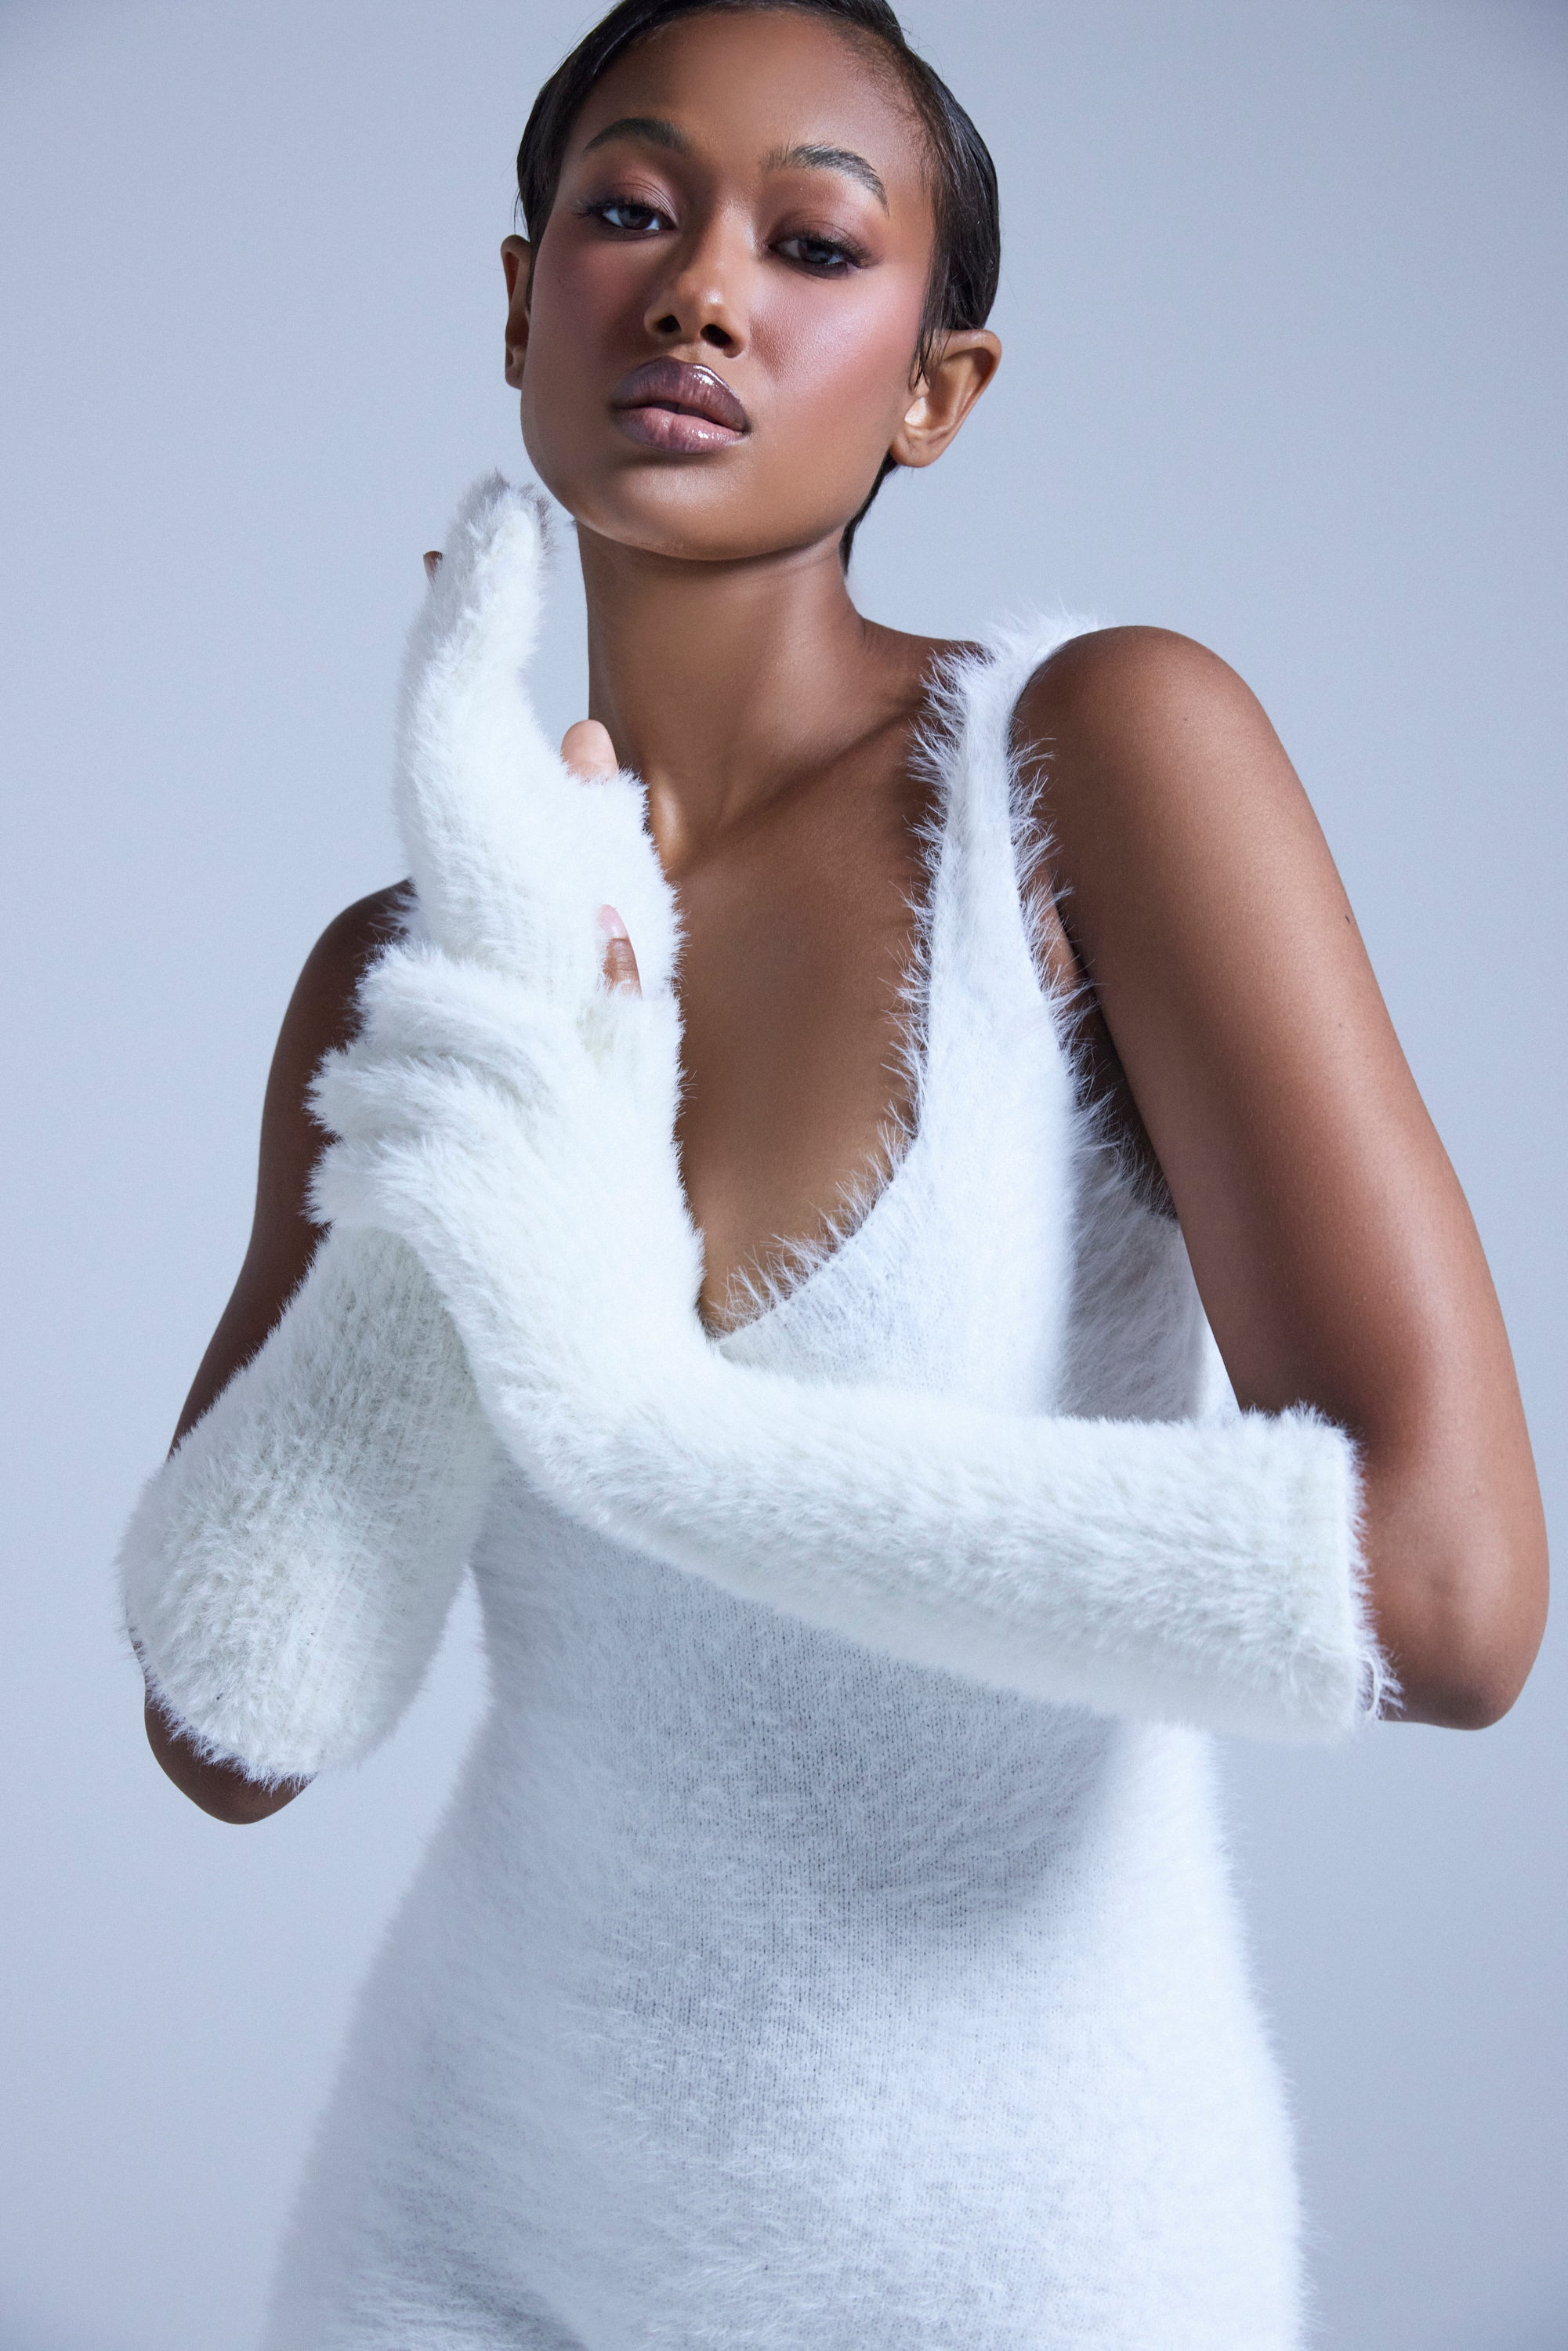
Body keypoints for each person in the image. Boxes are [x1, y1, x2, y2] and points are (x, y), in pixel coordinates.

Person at [124, 0, 1548, 2341]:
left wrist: (645, 1432)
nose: (697, 290)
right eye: (626, 210)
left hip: (1014, 2254)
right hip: (466, 2225)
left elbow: (1445, 1596)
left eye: (808, 242)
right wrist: (493, 947)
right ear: (518, 304)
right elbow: (234, 1724)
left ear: (931, 388)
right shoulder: (411, 954)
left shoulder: (1091, 768)